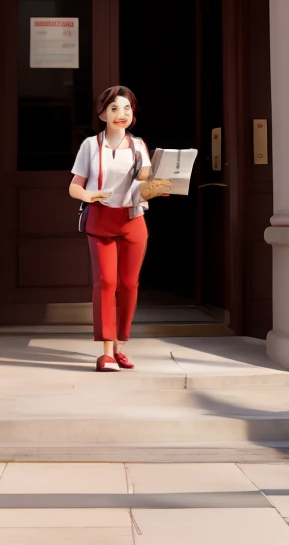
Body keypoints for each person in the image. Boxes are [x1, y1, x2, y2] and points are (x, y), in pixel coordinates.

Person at [69, 84, 171, 372]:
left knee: (128, 285)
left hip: (132, 220)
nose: (121, 114)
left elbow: (144, 186)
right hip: (101, 219)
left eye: (126, 108)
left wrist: (161, 188)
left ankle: (121, 346)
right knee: (106, 283)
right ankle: (105, 352)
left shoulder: (138, 146)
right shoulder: (91, 145)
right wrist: (88, 195)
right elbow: (74, 187)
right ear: (102, 114)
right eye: (114, 108)